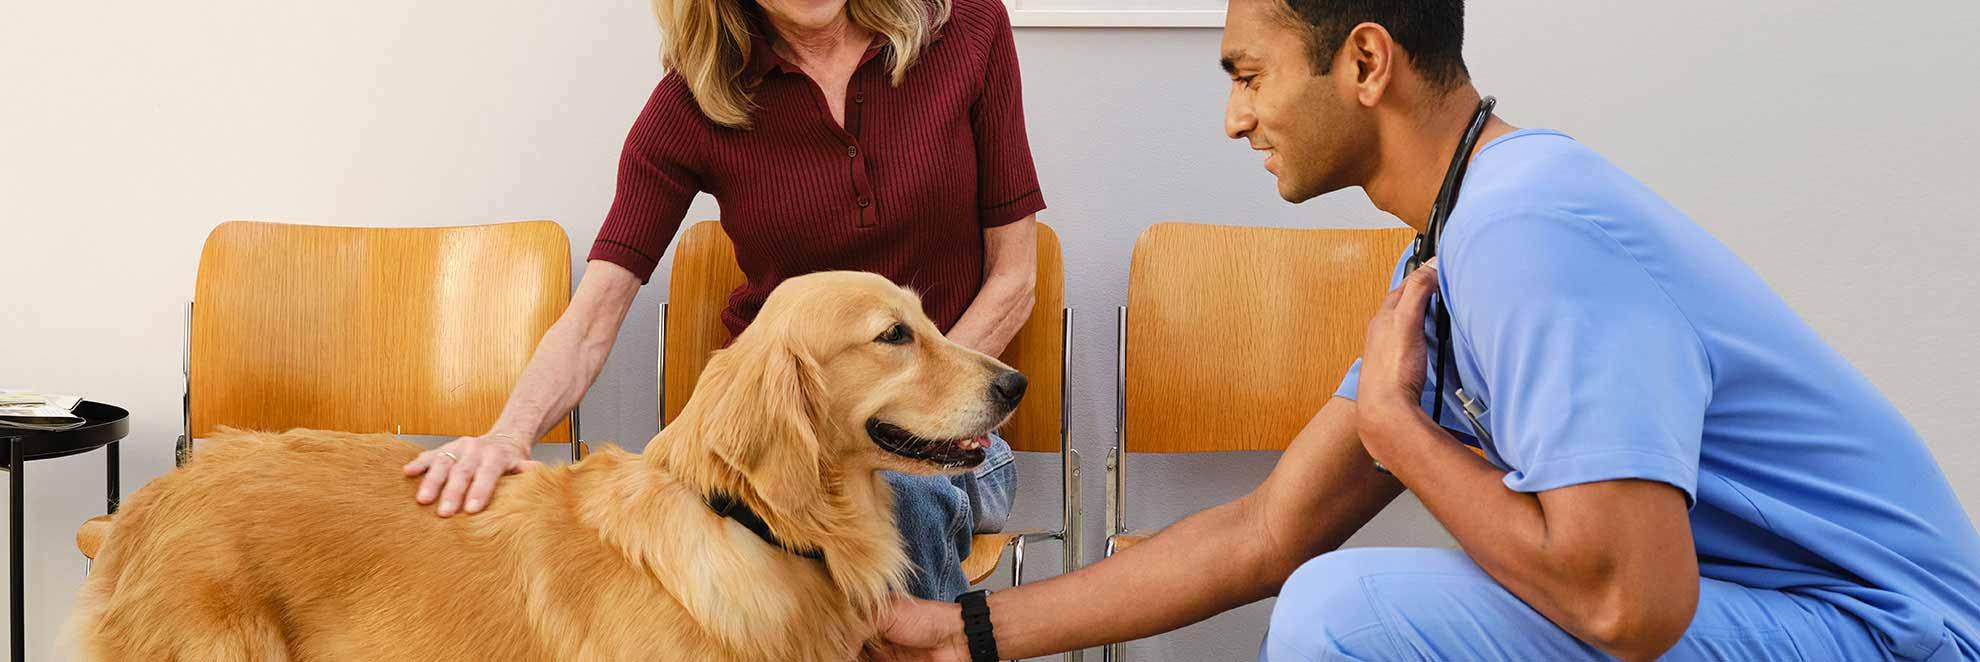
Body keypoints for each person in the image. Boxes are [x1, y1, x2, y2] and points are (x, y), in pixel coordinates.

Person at [870, 0, 1980, 660]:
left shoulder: (1531, 225)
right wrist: (960, 630)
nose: (1233, 116)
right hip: (1797, 621)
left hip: (1891, 635)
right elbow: (1263, 528)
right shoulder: (1452, 251)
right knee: (1332, 582)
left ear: (1363, 62)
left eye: (1250, 75)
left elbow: (1630, 603)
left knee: (1345, 614)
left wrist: (1407, 438)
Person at [400, 0, 1045, 602]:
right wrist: (508, 435)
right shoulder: (694, 104)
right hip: (772, 435)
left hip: (954, 437)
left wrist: (928, 404)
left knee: (893, 498)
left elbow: (1013, 279)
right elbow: (595, 314)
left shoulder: (968, 28)